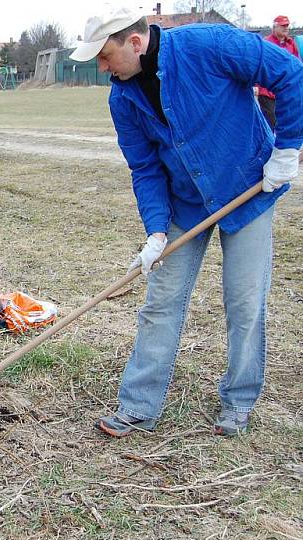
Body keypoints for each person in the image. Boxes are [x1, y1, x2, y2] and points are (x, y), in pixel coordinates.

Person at [68, 7, 303, 437]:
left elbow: (290, 73)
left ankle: (238, 401)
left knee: (245, 301)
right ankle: (139, 406)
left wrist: (286, 149)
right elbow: (145, 168)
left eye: (104, 56)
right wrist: (157, 230)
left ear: (134, 43)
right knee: (161, 301)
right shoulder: (122, 98)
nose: (101, 68)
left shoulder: (209, 45)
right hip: (185, 204)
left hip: (248, 187)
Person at [257, 15, 301, 131]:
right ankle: (268, 147)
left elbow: (297, 65)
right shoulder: (266, 43)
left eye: (287, 25)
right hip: (267, 91)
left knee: (286, 122)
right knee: (271, 122)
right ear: (275, 27)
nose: (286, 28)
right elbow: (258, 65)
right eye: (282, 26)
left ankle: (282, 147)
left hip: (285, 91)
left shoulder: (291, 44)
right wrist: (256, 85)